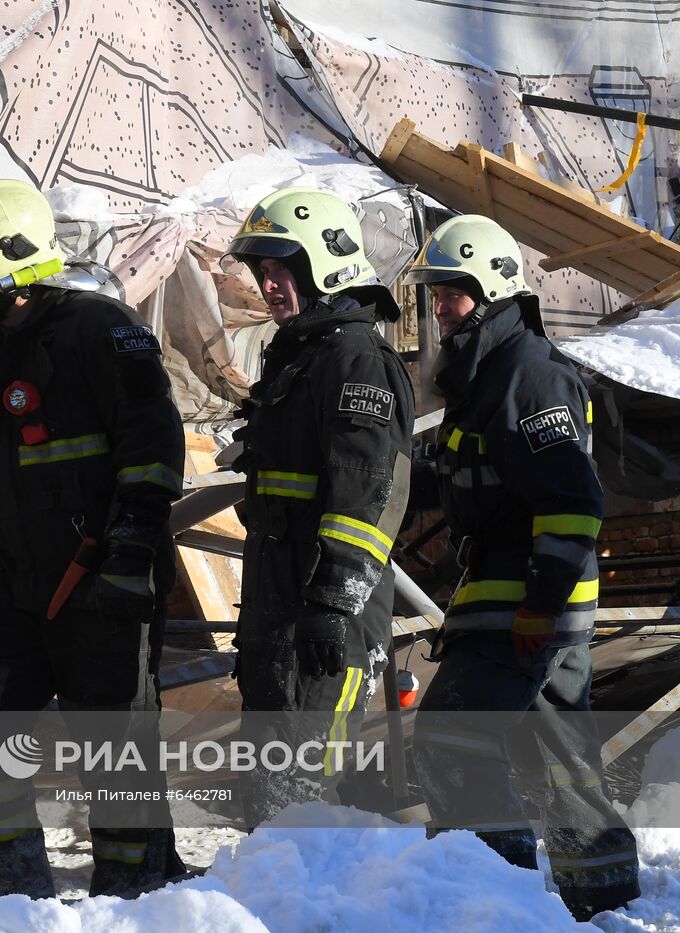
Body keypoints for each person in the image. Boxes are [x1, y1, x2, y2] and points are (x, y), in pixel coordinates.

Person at [0, 178, 187, 898]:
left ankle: (138, 897)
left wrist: (132, 554)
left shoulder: (99, 331)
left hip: (101, 580)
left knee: (115, 750)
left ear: (11, 257)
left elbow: (154, 442)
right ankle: (8, 892)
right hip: (19, 585)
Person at [403, 214, 640, 921]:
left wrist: (541, 599)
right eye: (438, 294)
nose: (443, 308)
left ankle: (490, 893)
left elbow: (573, 498)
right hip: (509, 602)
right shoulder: (486, 376)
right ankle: (601, 895)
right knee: (558, 756)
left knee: (451, 738)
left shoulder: (527, 374)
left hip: (527, 607)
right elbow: (460, 478)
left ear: (495, 289)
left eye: (456, 294)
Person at [221, 187, 414, 827]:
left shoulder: (356, 359)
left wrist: (333, 603)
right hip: (283, 605)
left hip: (327, 613)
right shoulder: (301, 354)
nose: (270, 287)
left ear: (324, 264)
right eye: (264, 273)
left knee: (302, 787)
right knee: (272, 784)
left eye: (283, 271)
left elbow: (371, 491)